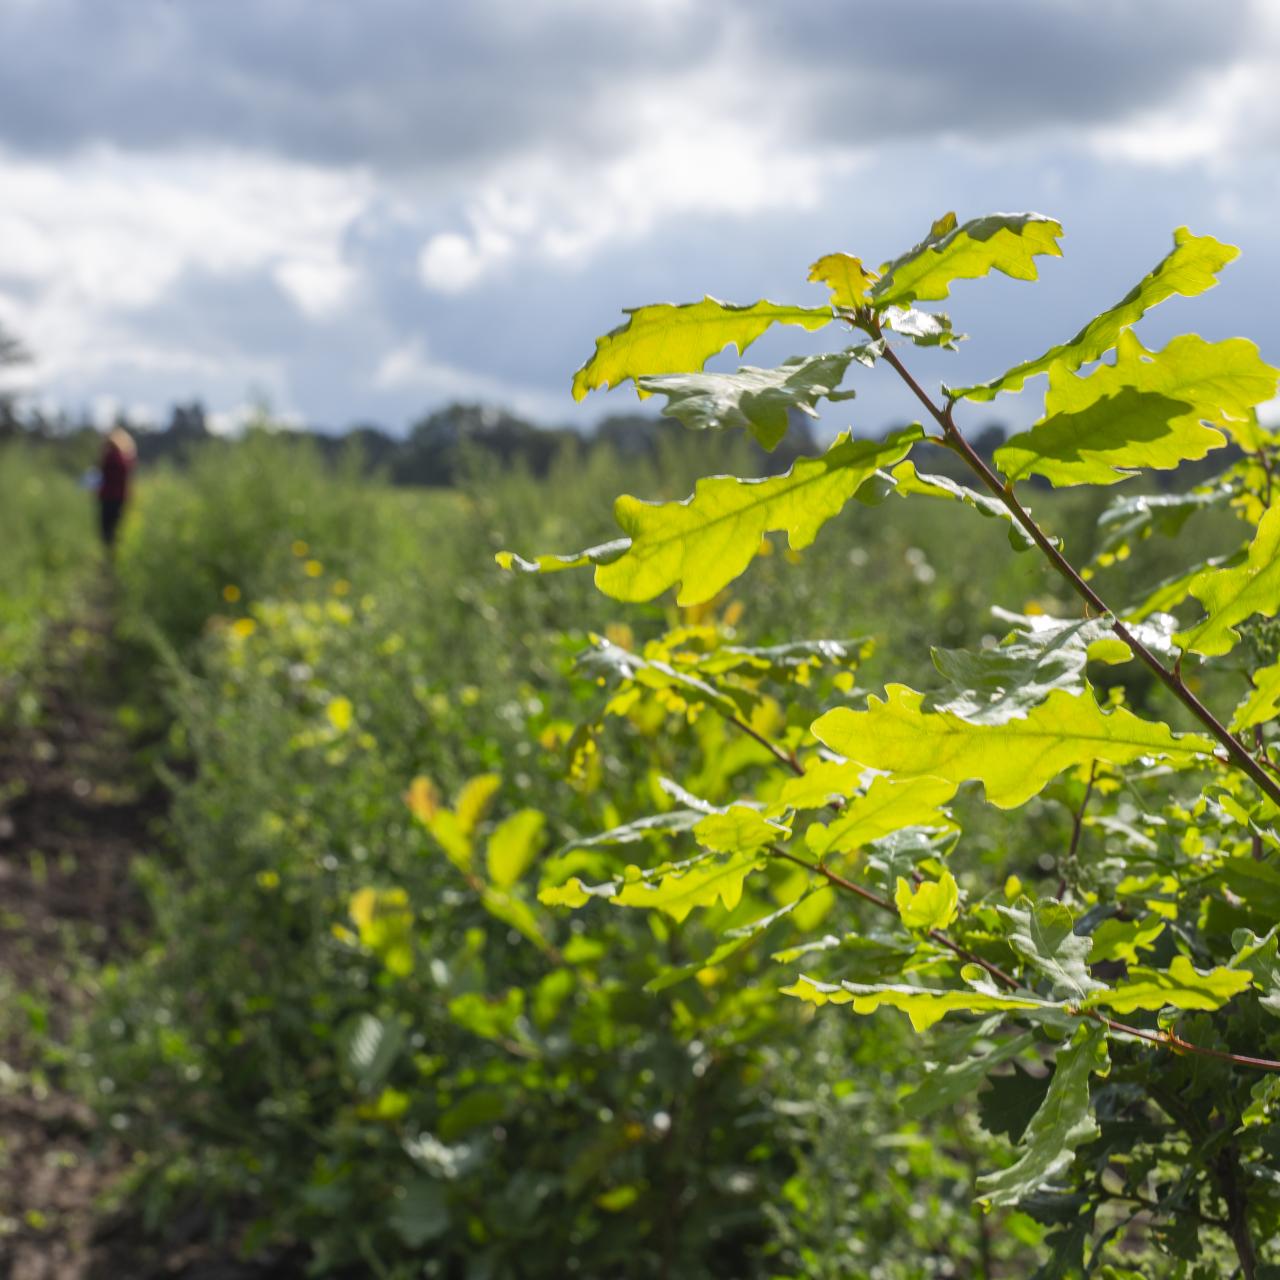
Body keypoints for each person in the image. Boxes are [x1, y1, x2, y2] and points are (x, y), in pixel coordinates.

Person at [97, 426, 136, 552]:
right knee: (117, 530)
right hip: (121, 498)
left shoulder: (110, 457)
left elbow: (103, 475)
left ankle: (109, 559)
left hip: (109, 498)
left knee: (107, 531)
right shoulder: (127, 459)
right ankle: (114, 558)